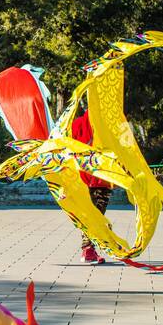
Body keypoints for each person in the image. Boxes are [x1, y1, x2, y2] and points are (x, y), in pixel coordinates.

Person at [69, 104, 113, 265]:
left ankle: (91, 248)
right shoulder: (107, 126)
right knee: (95, 216)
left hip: (82, 179)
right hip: (100, 179)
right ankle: (88, 250)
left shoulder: (77, 124)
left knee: (90, 215)